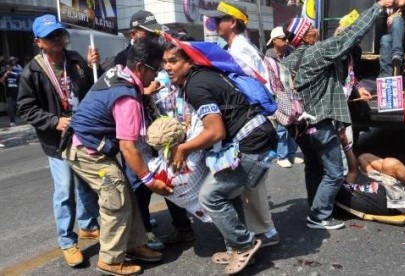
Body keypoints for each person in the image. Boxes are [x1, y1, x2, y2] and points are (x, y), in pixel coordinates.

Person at [163, 37, 278, 275]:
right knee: (229, 193)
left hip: (252, 142)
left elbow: (216, 131)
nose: (167, 67)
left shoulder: (196, 85)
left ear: (189, 61)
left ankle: (244, 245)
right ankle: (237, 246)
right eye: (164, 62)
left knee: (211, 196)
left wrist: (183, 148)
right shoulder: (204, 76)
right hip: (255, 137)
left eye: (173, 61)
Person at [282, 0, 395, 230]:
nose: (315, 30)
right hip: (321, 125)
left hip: (299, 128)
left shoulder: (289, 60)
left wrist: (334, 39)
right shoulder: (317, 53)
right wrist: (377, 7)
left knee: (313, 168)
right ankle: (319, 215)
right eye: (311, 29)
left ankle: (315, 208)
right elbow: (351, 36)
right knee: (334, 173)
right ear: (304, 37)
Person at [62, 39, 171, 276]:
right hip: (85, 149)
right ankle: (110, 260)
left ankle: (134, 245)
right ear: (141, 67)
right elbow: (128, 147)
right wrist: (151, 180)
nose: (158, 75)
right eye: (156, 69)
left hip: (90, 144)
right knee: (116, 198)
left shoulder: (119, 73)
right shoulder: (127, 98)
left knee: (126, 195)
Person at [16, 14, 100, 267]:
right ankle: (67, 241)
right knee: (65, 191)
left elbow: (89, 89)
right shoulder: (32, 71)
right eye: (50, 37)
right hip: (57, 141)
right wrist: (54, 121)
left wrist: (93, 65)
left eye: (59, 35)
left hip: (82, 135)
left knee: (85, 184)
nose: (57, 40)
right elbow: (25, 108)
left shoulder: (75, 60)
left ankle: (87, 225)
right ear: (38, 42)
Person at [110, 10, 187, 251]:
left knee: (170, 173)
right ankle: (143, 232)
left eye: (155, 29)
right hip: (136, 131)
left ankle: (183, 227)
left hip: (162, 126)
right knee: (138, 182)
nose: (154, 34)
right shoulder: (122, 59)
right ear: (134, 33)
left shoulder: (160, 50)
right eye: (148, 31)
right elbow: (121, 95)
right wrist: (144, 93)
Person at [205, 1, 280, 248]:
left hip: (254, 121)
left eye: (220, 20)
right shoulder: (234, 47)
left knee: (252, 179)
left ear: (233, 22)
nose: (216, 24)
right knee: (250, 179)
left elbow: (246, 89)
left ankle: (266, 232)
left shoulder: (240, 51)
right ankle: (261, 228)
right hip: (252, 120)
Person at [265, 26, 303, 168]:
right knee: (281, 126)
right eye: (283, 39)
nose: (286, 41)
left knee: (294, 125)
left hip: (293, 93)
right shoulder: (268, 57)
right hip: (278, 94)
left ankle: (292, 154)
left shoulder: (290, 52)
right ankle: (282, 156)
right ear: (274, 41)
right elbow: (269, 79)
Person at [378, 0, 405, 77]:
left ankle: (397, 53)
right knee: (385, 39)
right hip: (391, 34)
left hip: (404, 35)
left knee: (397, 20)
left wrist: (398, 3)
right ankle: (385, 75)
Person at [0, 57, 22, 126]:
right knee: (10, 107)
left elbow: (21, 78)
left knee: (20, 106)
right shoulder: (5, 73)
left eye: (9, 67)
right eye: (7, 67)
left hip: (17, 91)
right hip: (9, 93)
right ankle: (12, 121)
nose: (8, 68)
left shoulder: (16, 71)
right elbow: (1, 81)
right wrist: (6, 74)